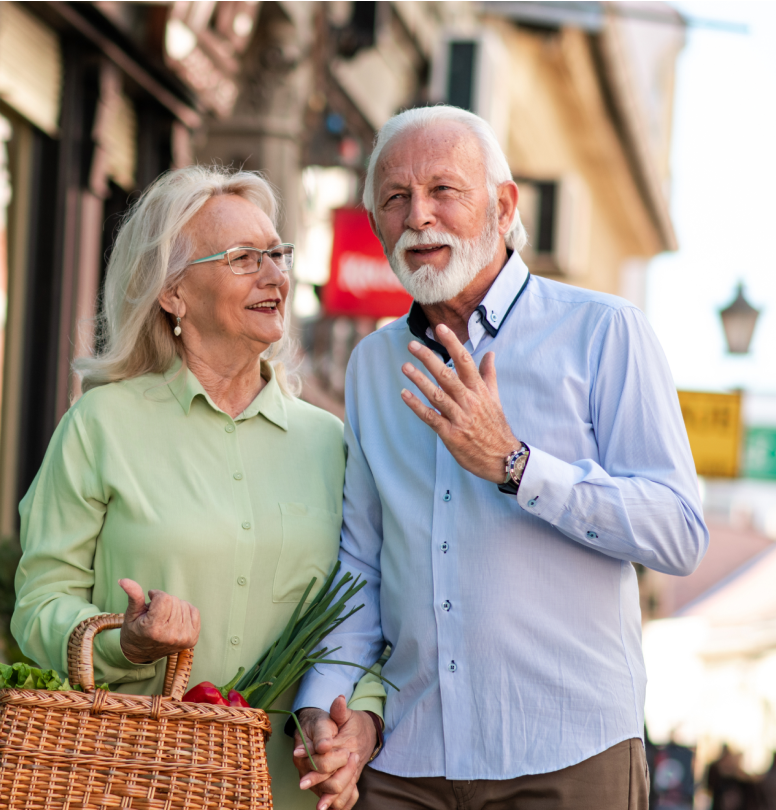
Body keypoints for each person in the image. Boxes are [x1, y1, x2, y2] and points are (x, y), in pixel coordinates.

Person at [289, 105, 708, 810]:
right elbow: (362, 560)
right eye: (394, 198)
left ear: (504, 204)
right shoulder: (371, 366)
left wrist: (516, 465)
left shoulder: (604, 333)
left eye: (443, 190)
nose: (418, 217)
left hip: (567, 756)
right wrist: (325, 706)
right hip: (409, 755)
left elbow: (678, 532)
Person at [11, 165, 383, 807]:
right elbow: (39, 604)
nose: (276, 276)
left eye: (277, 254)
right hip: (128, 782)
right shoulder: (101, 425)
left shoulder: (330, 442)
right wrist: (125, 641)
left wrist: (359, 722)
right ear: (172, 293)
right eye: (244, 258)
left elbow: (364, 612)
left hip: (284, 791)